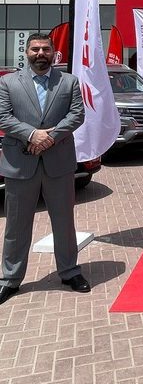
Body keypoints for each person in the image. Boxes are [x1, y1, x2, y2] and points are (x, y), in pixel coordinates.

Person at [0, 33, 89, 305]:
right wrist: (32, 135)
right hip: (20, 163)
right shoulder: (8, 82)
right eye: (35, 49)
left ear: (53, 53)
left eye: (46, 49)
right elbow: (3, 116)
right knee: (16, 225)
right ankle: (10, 279)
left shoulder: (69, 81)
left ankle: (70, 271)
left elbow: (77, 114)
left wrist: (49, 137)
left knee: (64, 222)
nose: (41, 53)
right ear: (27, 53)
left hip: (58, 164)